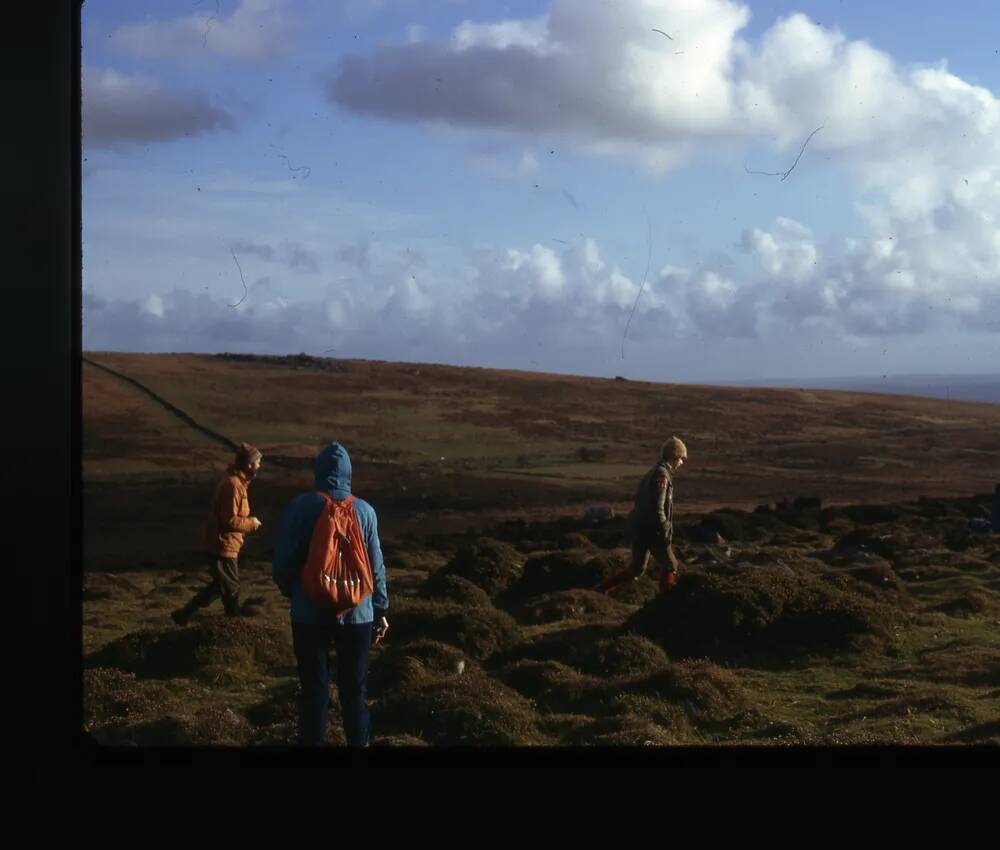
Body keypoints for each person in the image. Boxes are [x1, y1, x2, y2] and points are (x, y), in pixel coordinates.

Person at [272, 442, 389, 747]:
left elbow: (283, 561)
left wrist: (293, 591)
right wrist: (381, 609)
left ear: (319, 471)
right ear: (349, 473)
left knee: (314, 691)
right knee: (355, 692)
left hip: (309, 613)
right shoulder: (365, 511)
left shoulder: (300, 507)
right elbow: (376, 565)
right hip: (358, 613)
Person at [171, 442, 263, 625]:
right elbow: (229, 520)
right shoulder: (234, 486)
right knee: (230, 587)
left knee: (221, 585)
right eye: (258, 461)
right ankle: (234, 624)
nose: (260, 466)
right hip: (223, 545)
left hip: (225, 544)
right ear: (250, 464)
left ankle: (184, 615)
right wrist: (251, 524)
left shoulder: (237, 483)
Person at [595, 436, 688, 595]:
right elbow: (657, 508)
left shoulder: (653, 471)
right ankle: (666, 602)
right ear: (674, 457)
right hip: (653, 530)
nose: (682, 463)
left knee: (637, 569)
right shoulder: (662, 475)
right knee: (671, 565)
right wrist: (665, 528)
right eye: (681, 458)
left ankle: (601, 590)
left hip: (639, 528)